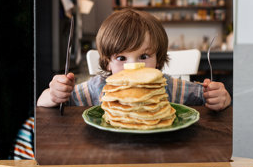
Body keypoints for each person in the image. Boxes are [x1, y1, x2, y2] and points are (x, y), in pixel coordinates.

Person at [37, 8, 231, 111]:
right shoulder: (95, 90)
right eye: (121, 57)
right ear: (107, 63)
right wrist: (53, 95)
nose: (133, 66)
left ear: (158, 59)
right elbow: (46, 104)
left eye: (144, 56)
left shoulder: (170, 88)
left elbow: (209, 98)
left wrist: (221, 97)